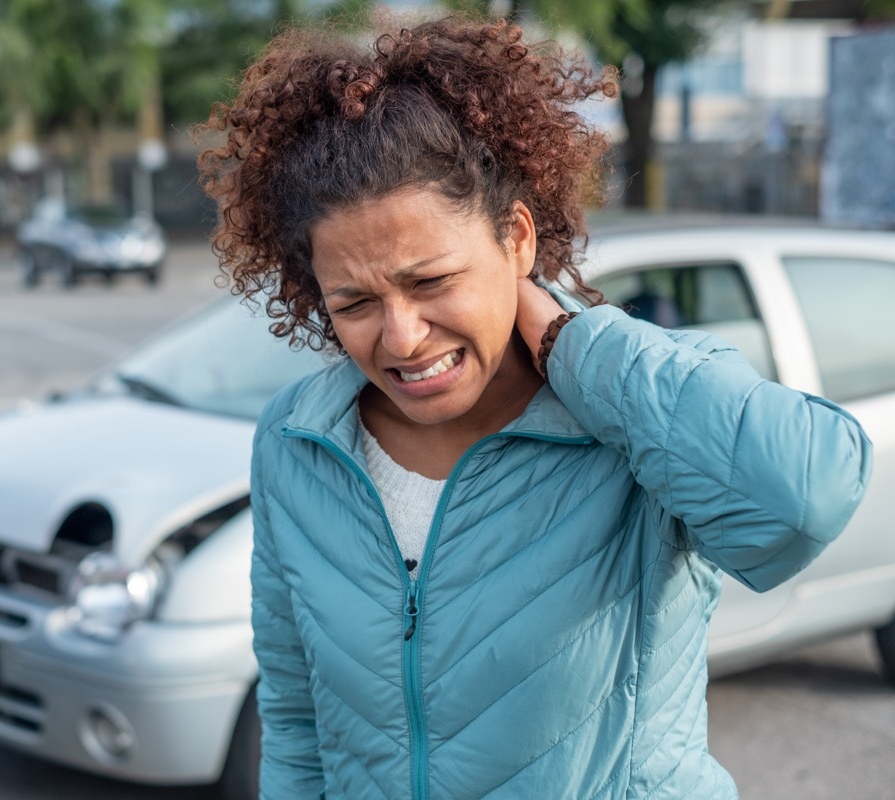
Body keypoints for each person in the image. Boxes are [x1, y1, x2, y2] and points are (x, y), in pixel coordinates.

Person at [197, 15, 872, 800]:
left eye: (430, 282)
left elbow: (804, 500)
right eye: (354, 302)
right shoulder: (297, 440)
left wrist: (571, 342)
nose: (403, 338)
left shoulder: (637, 417)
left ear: (517, 238)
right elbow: (297, 721)